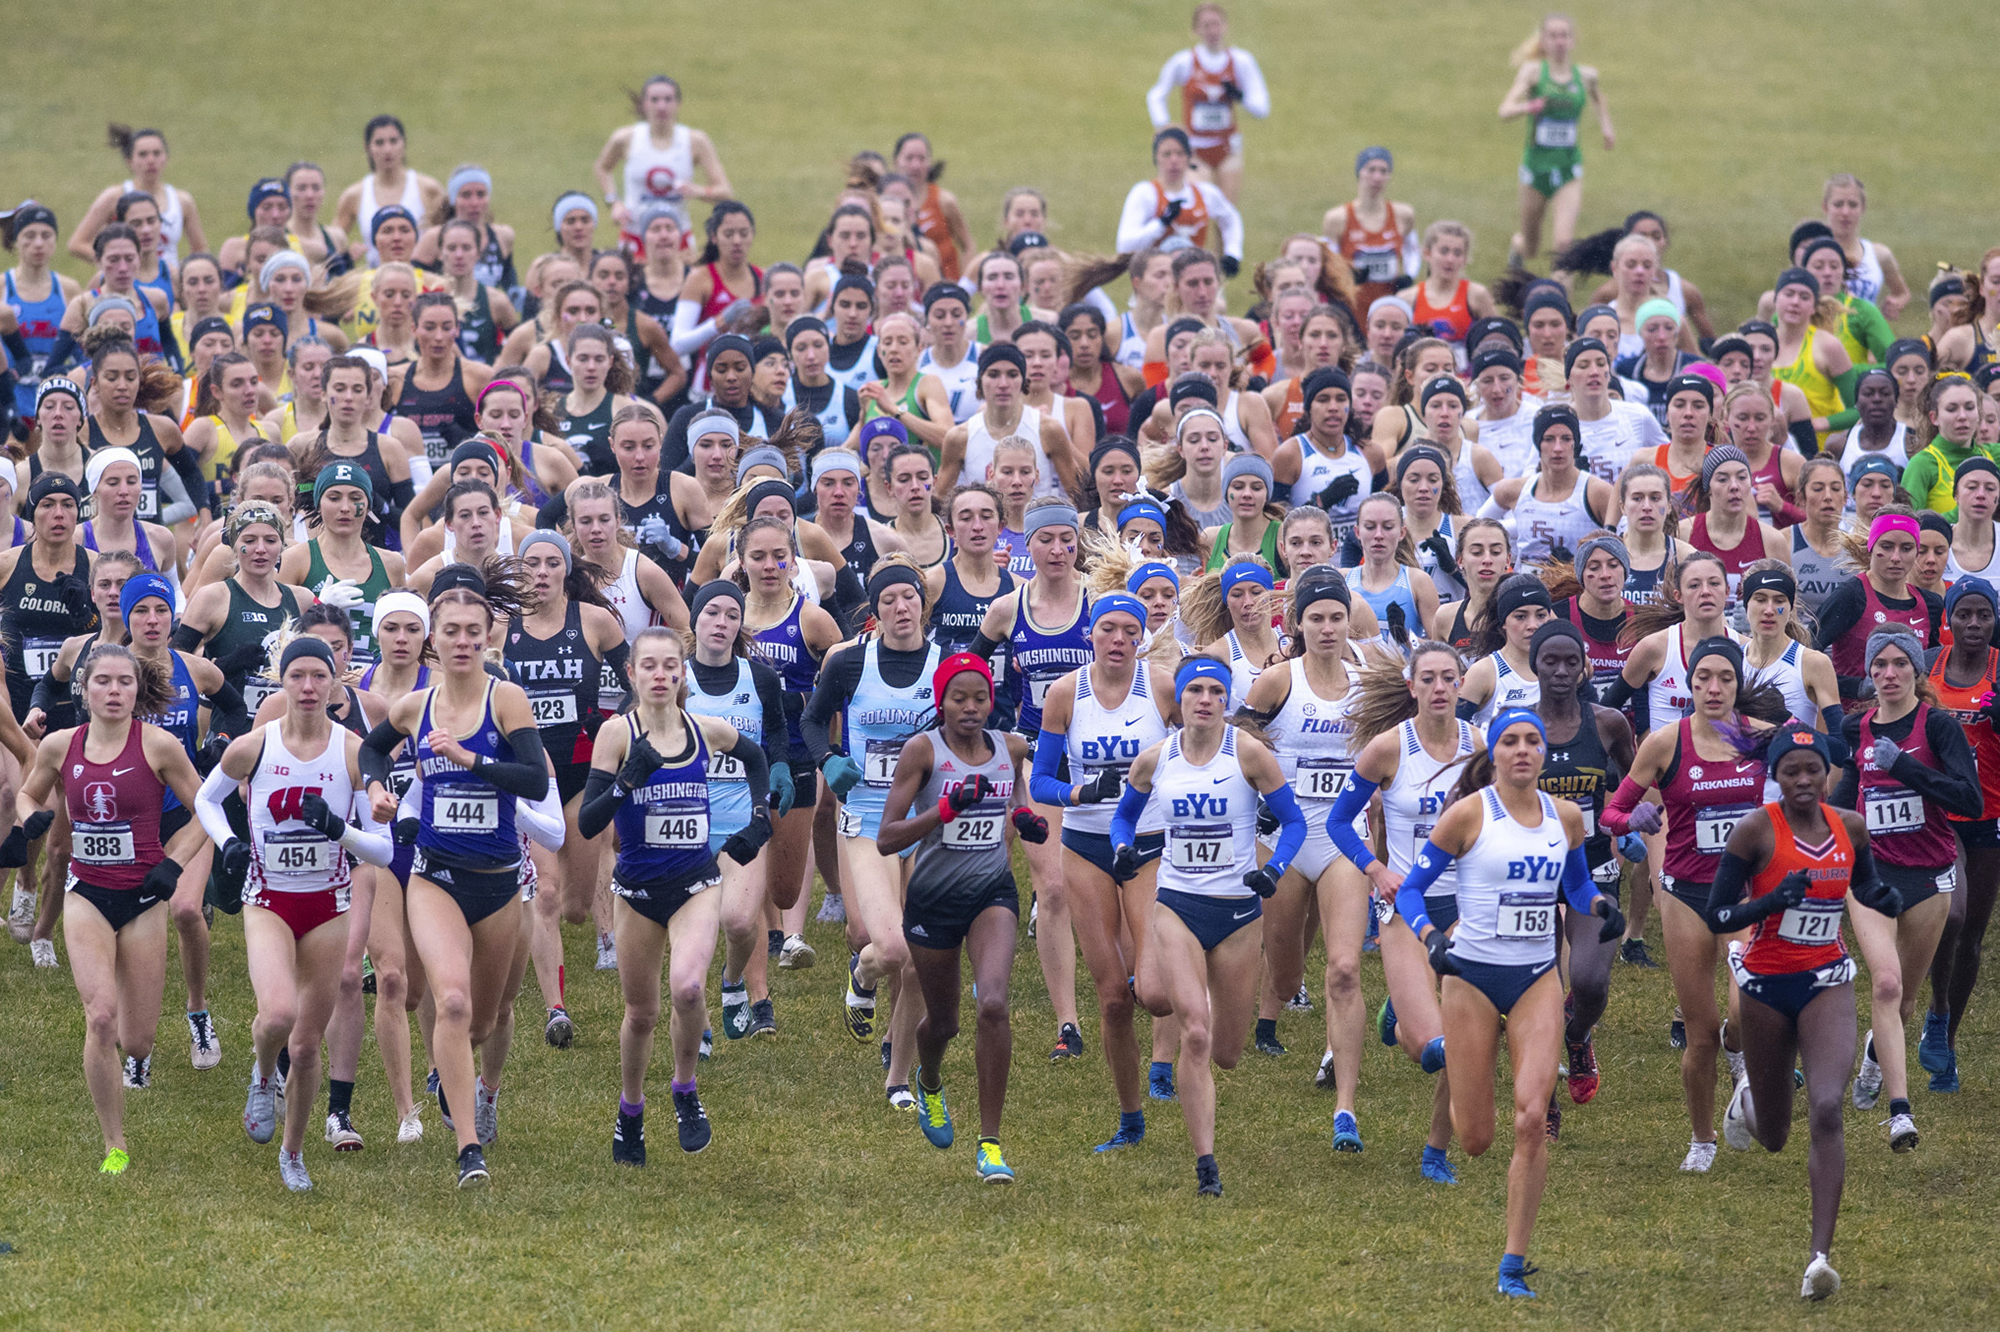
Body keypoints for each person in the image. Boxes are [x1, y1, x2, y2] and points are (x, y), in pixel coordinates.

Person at [1391, 706, 1619, 1298]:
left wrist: (1598, 906)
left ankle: (1513, 1263)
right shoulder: (1467, 815)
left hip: (1536, 980)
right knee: (1476, 1139)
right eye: (1510, 741)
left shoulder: (1565, 818)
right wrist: (1430, 937)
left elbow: (1575, 884)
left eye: (1532, 742)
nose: (1523, 750)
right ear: (1493, 752)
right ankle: (1413, 1031)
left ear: (1544, 753)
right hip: (1468, 977)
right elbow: (1412, 889)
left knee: (1531, 1120)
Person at [356, 569, 546, 1189]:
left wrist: (472, 760)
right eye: (451, 631)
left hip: (498, 880)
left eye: (473, 630)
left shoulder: (505, 699)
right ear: (435, 639)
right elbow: (371, 750)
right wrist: (378, 788)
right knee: (453, 1002)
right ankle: (469, 1150)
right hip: (435, 877)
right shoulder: (416, 706)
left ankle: (458, 1078)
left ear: (489, 635)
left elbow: (536, 782)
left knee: (483, 1022)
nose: (462, 641)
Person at [1706, 725, 1901, 1301]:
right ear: (1775, 775)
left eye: (1811, 769)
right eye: (1790, 770)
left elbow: (1866, 887)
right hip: (1765, 985)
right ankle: (1746, 1101)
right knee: (1773, 1136)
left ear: (1827, 772)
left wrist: (1882, 898)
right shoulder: (1754, 831)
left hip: (1825, 980)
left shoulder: (1852, 827)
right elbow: (1717, 915)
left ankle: (1819, 1258)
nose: (1802, 781)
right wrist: (1769, 902)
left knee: (1826, 1107)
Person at [193, 633, 391, 1190]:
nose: (307, 687)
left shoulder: (355, 752)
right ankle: (261, 1075)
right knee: (277, 1016)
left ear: (335, 682)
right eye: (297, 675)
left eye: (318, 676)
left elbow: (384, 849)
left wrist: (339, 829)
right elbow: (207, 799)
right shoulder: (254, 746)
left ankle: (293, 1153)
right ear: (281, 681)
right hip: (269, 901)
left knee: (306, 1046)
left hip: (329, 906)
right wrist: (229, 842)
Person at [1113, 654, 1306, 1197]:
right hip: (1176, 904)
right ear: (1180, 700)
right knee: (1194, 1032)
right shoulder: (1155, 760)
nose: (1204, 699)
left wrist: (1272, 871)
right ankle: (1206, 1166)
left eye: (1214, 691)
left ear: (1226, 699)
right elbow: (1124, 817)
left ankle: (1219, 1015)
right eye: (1194, 690)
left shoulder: (1250, 755)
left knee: (1225, 1051)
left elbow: (1292, 823)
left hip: (1240, 913)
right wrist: (1123, 850)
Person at [12, 642, 207, 1175]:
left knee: (137, 1039)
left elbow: (207, 809)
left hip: (144, 898)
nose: (114, 691)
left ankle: (134, 1047)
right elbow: (28, 795)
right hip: (86, 894)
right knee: (99, 1018)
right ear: (84, 689)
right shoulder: (58, 746)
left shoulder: (160, 746)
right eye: (103, 682)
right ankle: (114, 1145)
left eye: (125, 682)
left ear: (138, 690)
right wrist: (32, 820)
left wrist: (174, 862)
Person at [579, 623, 769, 1163]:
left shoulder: (703, 729)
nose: (660, 675)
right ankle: (631, 1110)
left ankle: (685, 1091)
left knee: (688, 990)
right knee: (640, 1014)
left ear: (682, 674)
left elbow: (756, 759)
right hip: (637, 892)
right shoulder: (618, 733)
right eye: (649, 667)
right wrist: (624, 782)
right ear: (632, 674)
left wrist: (759, 821)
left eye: (670, 666)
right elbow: (591, 825)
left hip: (695, 884)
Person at [1601, 631, 1777, 1171]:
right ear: (1690, 684)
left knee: (1742, 1008)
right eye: (1704, 678)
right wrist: (1634, 819)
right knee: (1699, 1034)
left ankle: (1740, 1055)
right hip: (1684, 892)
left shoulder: (1765, 736)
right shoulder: (1665, 742)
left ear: (1738, 683)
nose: (1715, 687)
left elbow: (1816, 775)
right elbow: (1612, 812)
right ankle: (1702, 1140)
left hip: (1745, 892)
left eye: (1726, 677)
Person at [878, 652, 1037, 1181]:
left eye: (981, 698)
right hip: (933, 899)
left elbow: (1016, 797)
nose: (971, 708)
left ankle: (990, 1144)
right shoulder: (923, 751)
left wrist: (1026, 818)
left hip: (992, 891)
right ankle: (928, 1080)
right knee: (942, 1022)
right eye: (959, 698)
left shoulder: (1009, 747)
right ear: (940, 701)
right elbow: (887, 839)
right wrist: (944, 810)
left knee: (992, 1003)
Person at [1326, 641, 1474, 1180]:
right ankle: (1402, 1008)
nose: (1439, 688)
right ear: (1411, 687)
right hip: (1407, 905)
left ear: (1461, 685)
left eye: (1448, 678)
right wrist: (1375, 868)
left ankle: (1435, 1151)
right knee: (1430, 1049)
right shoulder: (1389, 749)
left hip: (1467, 906)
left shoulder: (1481, 748)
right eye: (1428, 679)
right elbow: (1339, 822)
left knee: (1464, 1036)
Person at [1238, 567, 1375, 1143]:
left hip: (1345, 841)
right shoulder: (1278, 683)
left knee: (1343, 969)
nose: (1326, 627)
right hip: (1285, 842)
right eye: (1315, 617)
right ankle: (1283, 1004)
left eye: (1336, 617)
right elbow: (1235, 743)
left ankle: (1344, 1104)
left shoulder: (1373, 680)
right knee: (1288, 968)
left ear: (1349, 622)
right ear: (1296, 624)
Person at [1033, 588, 1176, 1137]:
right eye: (1108, 630)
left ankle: (1172, 1048)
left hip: (1150, 843)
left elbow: (1196, 755)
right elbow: (1043, 779)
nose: (1118, 640)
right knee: (1115, 997)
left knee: (1155, 992)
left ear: (1142, 640)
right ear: (1089, 634)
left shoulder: (1160, 688)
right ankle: (1130, 1116)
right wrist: (1081, 793)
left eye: (1130, 632)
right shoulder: (1066, 694)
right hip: (1088, 847)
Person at [802, 559, 942, 1105]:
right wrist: (829, 760)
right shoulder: (850, 664)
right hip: (866, 817)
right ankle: (863, 975)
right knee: (890, 947)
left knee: (921, 957)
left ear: (923, 605)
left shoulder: (947, 665)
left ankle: (898, 1078)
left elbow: (974, 723)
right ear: (876, 612)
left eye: (909, 598)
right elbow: (813, 721)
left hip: (929, 822)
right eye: (888, 601)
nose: (900, 608)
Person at [1834, 628, 1978, 1152]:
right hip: (1873, 877)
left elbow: (1970, 798)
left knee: (1906, 999)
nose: (1888, 674)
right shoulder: (1856, 729)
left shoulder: (1937, 726)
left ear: (1917, 672)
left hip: (1930, 874)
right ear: (1869, 674)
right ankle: (1900, 1112)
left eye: (1899, 664)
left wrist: (1906, 766)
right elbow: (1845, 803)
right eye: (1879, 666)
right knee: (1887, 985)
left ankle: (1876, 1056)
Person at [974, 501, 1094, 1060]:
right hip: (1037, 762)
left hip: (1101, 760)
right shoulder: (1008, 608)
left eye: (1066, 540)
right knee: (1052, 887)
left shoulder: (1101, 600)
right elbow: (966, 671)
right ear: (1029, 544)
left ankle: (1127, 979)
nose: (1056, 551)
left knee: (1101, 879)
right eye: (1044, 539)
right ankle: (1067, 1022)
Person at [505, 530, 629, 1019]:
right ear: (519, 572)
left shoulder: (596, 622)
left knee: (576, 906)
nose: (541, 573)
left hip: (581, 773)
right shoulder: (499, 629)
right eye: (531, 564)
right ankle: (556, 1008)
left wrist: (617, 726)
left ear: (566, 570)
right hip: (531, 775)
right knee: (547, 894)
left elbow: (637, 681)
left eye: (551, 563)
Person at [1922, 577, 2000, 1092]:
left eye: (1983, 615)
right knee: (1949, 917)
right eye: (1964, 615)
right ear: (1948, 617)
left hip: (1989, 818)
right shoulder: (1928, 663)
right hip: (1938, 816)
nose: (1973, 625)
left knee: (1972, 934)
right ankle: (1937, 1010)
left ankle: (1945, 1041)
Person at [1498, 13, 1614, 264]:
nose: (1559, 41)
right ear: (1543, 41)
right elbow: (1504, 110)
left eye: (1564, 35)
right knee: (1531, 246)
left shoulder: (1586, 75)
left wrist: (1607, 127)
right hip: (1535, 170)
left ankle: (1561, 303)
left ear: (1572, 40)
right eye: (1553, 36)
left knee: (1564, 247)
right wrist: (1528, 107)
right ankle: (1517, 247)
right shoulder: (1533, 73)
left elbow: (1598, 96)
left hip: (1568, 170)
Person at [1144, 4, 1269, 201]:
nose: (1212, 31)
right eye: (1206, 25)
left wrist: (1239, 96)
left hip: (1228, 149)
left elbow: (1262, 108)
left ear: (1226, 26)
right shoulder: (1184, 62)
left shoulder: (1240, 61)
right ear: (1196, 30)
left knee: (1226, 215)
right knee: (1197, 207)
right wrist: (1165, 127)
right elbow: (1156, 95)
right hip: (1195, 150)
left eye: (1216, 24)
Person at [1815, 510, 1939, 699]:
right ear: (1871, 547)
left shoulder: (1930, 604)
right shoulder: (1851, 596)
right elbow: (1802, 657)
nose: (1896, 557)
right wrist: (1856, 688)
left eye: (1906, 548)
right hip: (1852, 720)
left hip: (1907, 720)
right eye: (1887, 546)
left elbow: (1933, 668)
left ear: (1916, 552)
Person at [1480, 405, 1616, 567]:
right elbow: (1475, 529)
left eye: (1566, 439)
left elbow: (1624, 546)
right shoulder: (1513, 490)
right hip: (1525, 588)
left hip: (1577, 589)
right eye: (1549, 439)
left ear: (1576, 445)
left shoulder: (1597, 492)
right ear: (1538, 445)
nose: (1558, 448)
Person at [68, 125, 206, 265]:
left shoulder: (182, 201)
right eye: (143, 154)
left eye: (157, 153)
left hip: (168, 283)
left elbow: (200, 250)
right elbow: (77, 244)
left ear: (166, 158)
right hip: (126, 282)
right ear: (129, 161)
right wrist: (113, 263)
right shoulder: (114, 197)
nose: (151, 160)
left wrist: (181, 273)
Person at [1115, 130, 1244, 275]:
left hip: (1195, 280)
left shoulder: (1206, 193)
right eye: (1167, 154)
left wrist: (1233, 253)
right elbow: (1124, 246)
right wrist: (1161, 224)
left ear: (1189, 157)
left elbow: (1231, 218)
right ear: (1156, 158)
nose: (1174, 160)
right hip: (1158, 285)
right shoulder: (1145, 194)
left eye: (1180, 153)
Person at [335, 116, 444, 269]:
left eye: (393, 141)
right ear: (368, 148)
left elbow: (449, 238)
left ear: (403, 143)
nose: (387, 150)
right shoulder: (354, 195)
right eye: (379, 143)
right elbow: (333, 244)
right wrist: (347, 257)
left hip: (420, 280)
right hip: (375, 282)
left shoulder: (428, 189)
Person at [1324, 148, 1418, 314]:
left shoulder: (1403, 215)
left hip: (1390, 304)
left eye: (1384, 171)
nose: (1377, 177)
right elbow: (1330, 262)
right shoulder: (1337, 219)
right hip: (1353, 306)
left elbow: (1413, 250)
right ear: (1359, 172)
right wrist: (1348, 276)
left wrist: (1409, 276)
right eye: (1371, 170)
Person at [1408, 223, 1495, 353]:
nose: (1450, 259)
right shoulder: (1409, 298)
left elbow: (1496, 339)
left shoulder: (1476, 295)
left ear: (1465, 259)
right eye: (1444, 251)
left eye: (1457, 253)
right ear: (1427, 253)